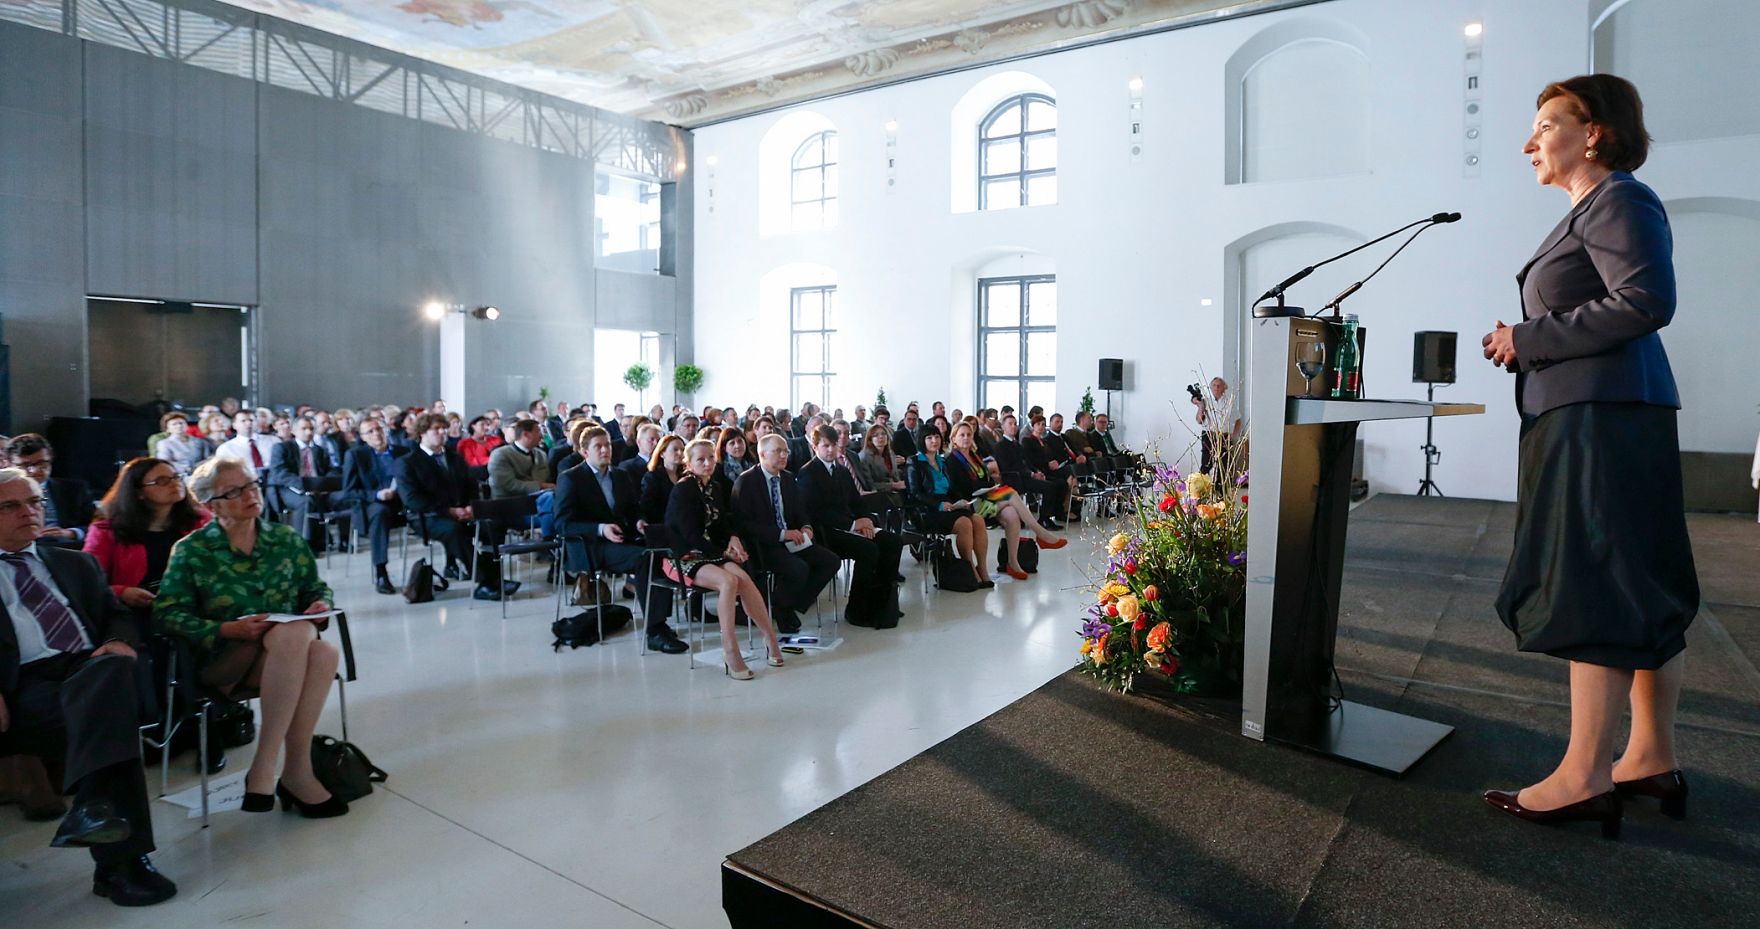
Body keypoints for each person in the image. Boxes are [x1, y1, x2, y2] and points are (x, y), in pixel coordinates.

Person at [1480, 75, 1697, 838]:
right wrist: (1530, 340)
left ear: (1594, 132)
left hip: (1600, 418)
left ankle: (1582, 775)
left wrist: (1527, 338)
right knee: (1635, 583)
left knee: (1597, 583)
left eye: (1546, 124)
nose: (1529, 141)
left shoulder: (1620, 199)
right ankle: (1647, 756)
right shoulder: (1593, 209)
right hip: (1610, 410)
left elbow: (1643, 301)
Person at [0, 468, 178, 906]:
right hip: (26, 686)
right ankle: (123, 864)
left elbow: (114, 612)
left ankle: (95, 813)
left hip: (92, 666)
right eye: (12, 506)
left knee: (111, 675)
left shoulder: (72, 560)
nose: (30, 513)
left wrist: (117, 640)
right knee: (110, 705)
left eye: (35, 502)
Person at [156, 457, 346, 820]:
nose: (250, 495)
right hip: (222, 661)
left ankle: (289, 770)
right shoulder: (192, 551)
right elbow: (167, 614)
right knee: (304, 641)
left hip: (283, 658)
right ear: (210, 504)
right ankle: (276, 768)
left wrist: (321, 603)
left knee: (320, 651)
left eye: (252, 485)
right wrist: (227, 629)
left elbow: (315, 588)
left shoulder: (284, 539)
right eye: (235, 491)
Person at [554, 427, 680, 653]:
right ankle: (655, 630)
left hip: (621, 539)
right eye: (598, 447)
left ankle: (661, 622)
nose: (605, 450)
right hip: (590, 545)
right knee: (645, 558)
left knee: (661, 550)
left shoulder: (619, 475)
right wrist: (601, 529)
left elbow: (632, 509)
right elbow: (562, 524)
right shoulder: (571, 478)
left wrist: (639, 521)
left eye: (608, 445)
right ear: (585, 452)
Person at [665, 439, 783, 679]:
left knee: (744, 578)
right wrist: (723, 553)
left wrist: (733, 540)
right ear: (688, 463)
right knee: (729, 582)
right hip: (684, 555)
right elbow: (690, 535)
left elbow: (722, 525)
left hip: (711, 552)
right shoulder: (683, 488)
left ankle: (770, 638)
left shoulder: (715, 487)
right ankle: (730, 649)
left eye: (710, 457)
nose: (707, 463)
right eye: (700, 459)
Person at [397, 414, 515, 601]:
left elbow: (470, 486)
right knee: (453, 530)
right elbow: (413, 498)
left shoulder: (454, 457)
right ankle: (485, 582)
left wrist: (470, 507)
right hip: (428, 516)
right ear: (422, 433)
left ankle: (495, 578)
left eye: (444, 428)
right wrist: (449, 511)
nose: (442, 432)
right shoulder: (408, 462)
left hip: (462, 512)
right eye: (436, 429)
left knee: (494, 525)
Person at [731, 435, 839, 635]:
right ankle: (783, 609)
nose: (783, 455)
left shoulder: (788, 478)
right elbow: (744, 525)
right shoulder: (746, 481)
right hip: (764, 545)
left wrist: (806, 526)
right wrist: (782, 534)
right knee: (798, 568)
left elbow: (800, 511)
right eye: (777, 451)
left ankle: (787, 604)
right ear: (762, 454)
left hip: (793, 539)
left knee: (830, 561)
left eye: (786, 451)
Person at [797, 426, 903, 628]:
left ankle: (881, 603)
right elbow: (815, 513)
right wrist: (854, 524)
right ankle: (857, 609)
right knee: (868, 550)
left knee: (892, 542)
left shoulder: (842, 472)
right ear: (814, 446)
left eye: (833, 445)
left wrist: (865, 520)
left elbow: (857, 503)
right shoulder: (807, 473)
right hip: (827, 532)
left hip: (850, 526)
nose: (830, 450)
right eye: (825, 446)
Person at [946, 420, 1065, 580]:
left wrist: (987, 484)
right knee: (1010, 492)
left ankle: (1013, 562)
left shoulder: (974, 456)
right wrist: (986, 484)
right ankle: (1040, 533)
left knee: (1012, 514)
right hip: (971, 503)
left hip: (985, 496)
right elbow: (965, 487)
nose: (966, 438)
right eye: (962, 435)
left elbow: (987, 479)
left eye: (969, 435)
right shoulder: (952, 460)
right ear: (954, 439)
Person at [83, 458, 210, 608]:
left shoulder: (201, 520)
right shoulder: (106, 531)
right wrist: (121, 592)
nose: (175, 483)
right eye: (162, 481)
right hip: (138, 609)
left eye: (176, 477)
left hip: (196, 603)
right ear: (139, 493)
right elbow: (88, 582)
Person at [909, 429, 993, 588]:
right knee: (964, 523)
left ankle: (981, 567)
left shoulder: (942, 461)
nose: (934, 440)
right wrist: (939, 505)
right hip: (929, 509)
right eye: (929, 437)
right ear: (922, 441)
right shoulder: (914, 462)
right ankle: (969, 570)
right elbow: (915, 493)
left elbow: (951, 489)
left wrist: (961, 500)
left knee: (978, 520)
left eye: (936, 437)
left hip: (949, 504)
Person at [341, 418, 405, 595]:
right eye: (370, 431)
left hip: (402, 500)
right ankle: (381, 571)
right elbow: (349, 492)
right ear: (363, 437)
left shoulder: (402, 452)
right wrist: (376, 495)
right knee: (380, 513)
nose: (377, 433)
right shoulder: (355, 455)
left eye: (379, 429)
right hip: (372, 503)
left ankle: (451, 564)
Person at [9, 434, 96, 548]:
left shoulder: (74, 489)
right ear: (10, 465)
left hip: (64, 547)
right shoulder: (4, 492)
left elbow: (96, 525)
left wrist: (71, 533)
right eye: (26, 465)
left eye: (42, 464)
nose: (34, 471)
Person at [268, 416, 334, 554]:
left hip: (318, 488)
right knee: (305, 502)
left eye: (311, 428)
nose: (308, 432)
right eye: (304, 429)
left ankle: (332, 539)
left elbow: (330, 470)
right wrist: (306, 485)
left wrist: (325, 484)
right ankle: (303, 544)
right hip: (289, 489)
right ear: (294, 430)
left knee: (341, 497)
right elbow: (280, 473)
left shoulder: (320, 450)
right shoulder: (281, 448)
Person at [993, 414, 1066, 531]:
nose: (1013, 426)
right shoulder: (1000, 446)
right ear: (1003, 427)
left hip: (1025, 477)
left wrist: (1036, 471)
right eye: (1010, 424)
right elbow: (1008, 467)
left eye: (1015, 424)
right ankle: (1044, 519)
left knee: (1052, 485)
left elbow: (1027, 462)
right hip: (1013, 479)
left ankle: (1045, 518)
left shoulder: (1017, 444)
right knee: (1049, 487)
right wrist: (1031, 474)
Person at [637, 435, 688, 552]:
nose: (680, 453)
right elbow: (648, 507)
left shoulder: (687, 476)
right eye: (675, 449)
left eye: (682, 449)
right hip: (664, 528)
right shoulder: (653, 477)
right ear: (662, 453)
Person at [213, 411, 277, 473]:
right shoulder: (225, 448)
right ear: (234, 425)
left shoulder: (273, 441)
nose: (248, 423)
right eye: (243, 421)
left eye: (251, 420)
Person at [154, 413, 212, 477]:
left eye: (181, 423)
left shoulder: (200, 441)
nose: (179, 426)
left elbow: (208, 458)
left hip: (202, 474)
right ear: (167, 428)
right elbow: (165, 462)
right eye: (174, 424)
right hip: (179, 475)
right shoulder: (164, 443)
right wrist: (187, 469)